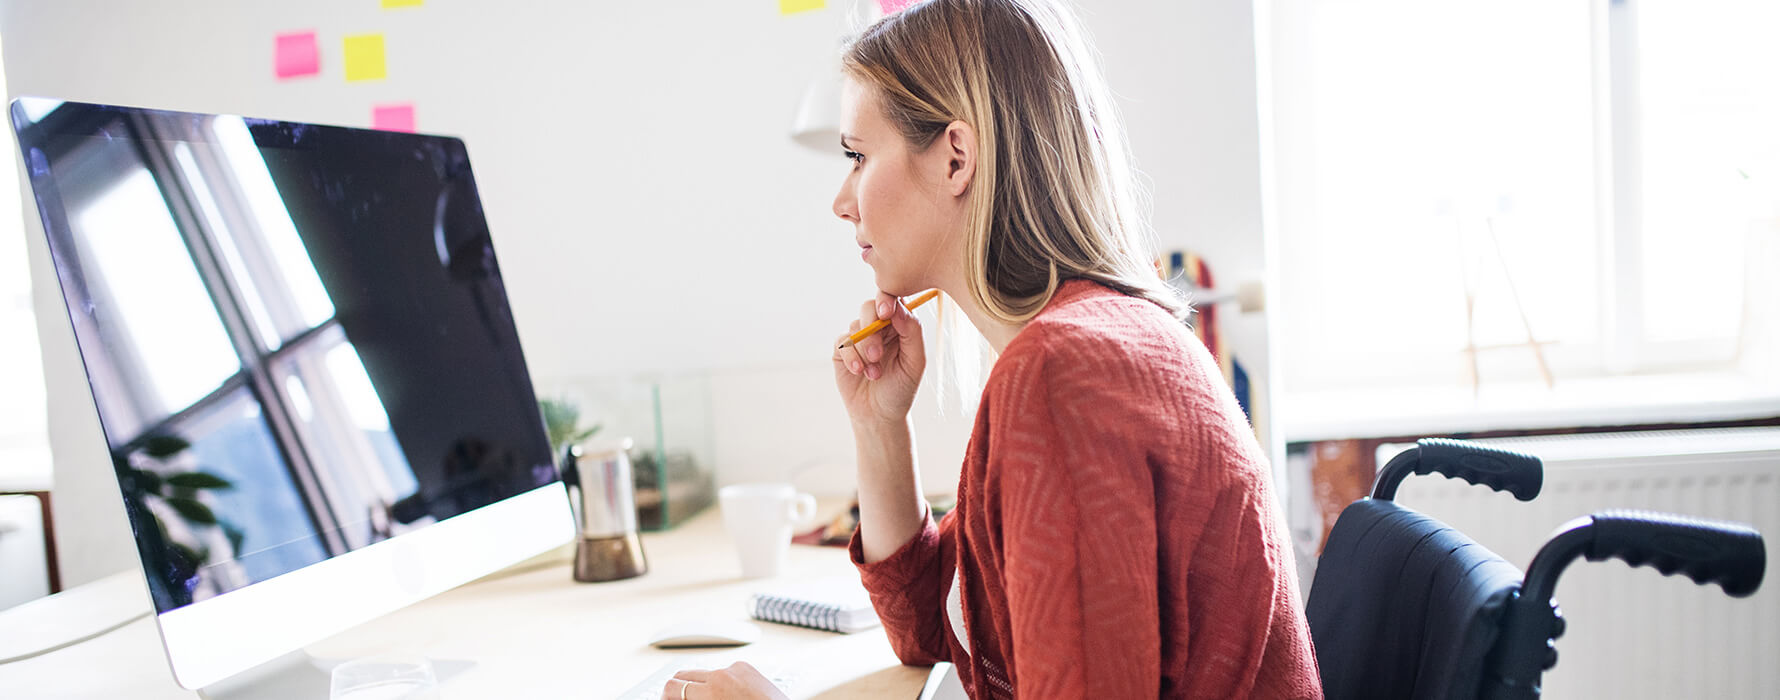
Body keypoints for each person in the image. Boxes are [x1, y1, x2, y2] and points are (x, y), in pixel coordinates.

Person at [663, 0, 1321, 698]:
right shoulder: (1074, 346)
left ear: (955, 158)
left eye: (858, 157)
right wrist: (879, 426)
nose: (842, 200)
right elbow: (937, 630)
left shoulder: (1065, 374)